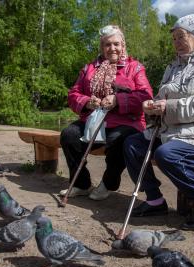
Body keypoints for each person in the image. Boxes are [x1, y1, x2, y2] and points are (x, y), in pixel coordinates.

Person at [123, 14, 194, 230]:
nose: (176, 43)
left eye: (181, 37)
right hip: (171, 131)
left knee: (166, 154)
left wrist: (168, 108)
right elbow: (163, 97)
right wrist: (152, 106)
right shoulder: (174, 66)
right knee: (132, 144)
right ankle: (155, 200)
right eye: (174, 38)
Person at [60, 25, 153, 201]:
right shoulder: (89, 69)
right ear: (101, 47)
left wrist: (118, 100)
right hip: (94, 119)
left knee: (119, 139)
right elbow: (73, 94)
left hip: (127, 122)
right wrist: (87, 102)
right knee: (69, 135)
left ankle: (109, 183)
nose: (112, 48)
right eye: (107, 45)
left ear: (123, 45)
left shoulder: (135, 68)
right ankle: (81, 184)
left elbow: (146, 95)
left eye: (116, 44)